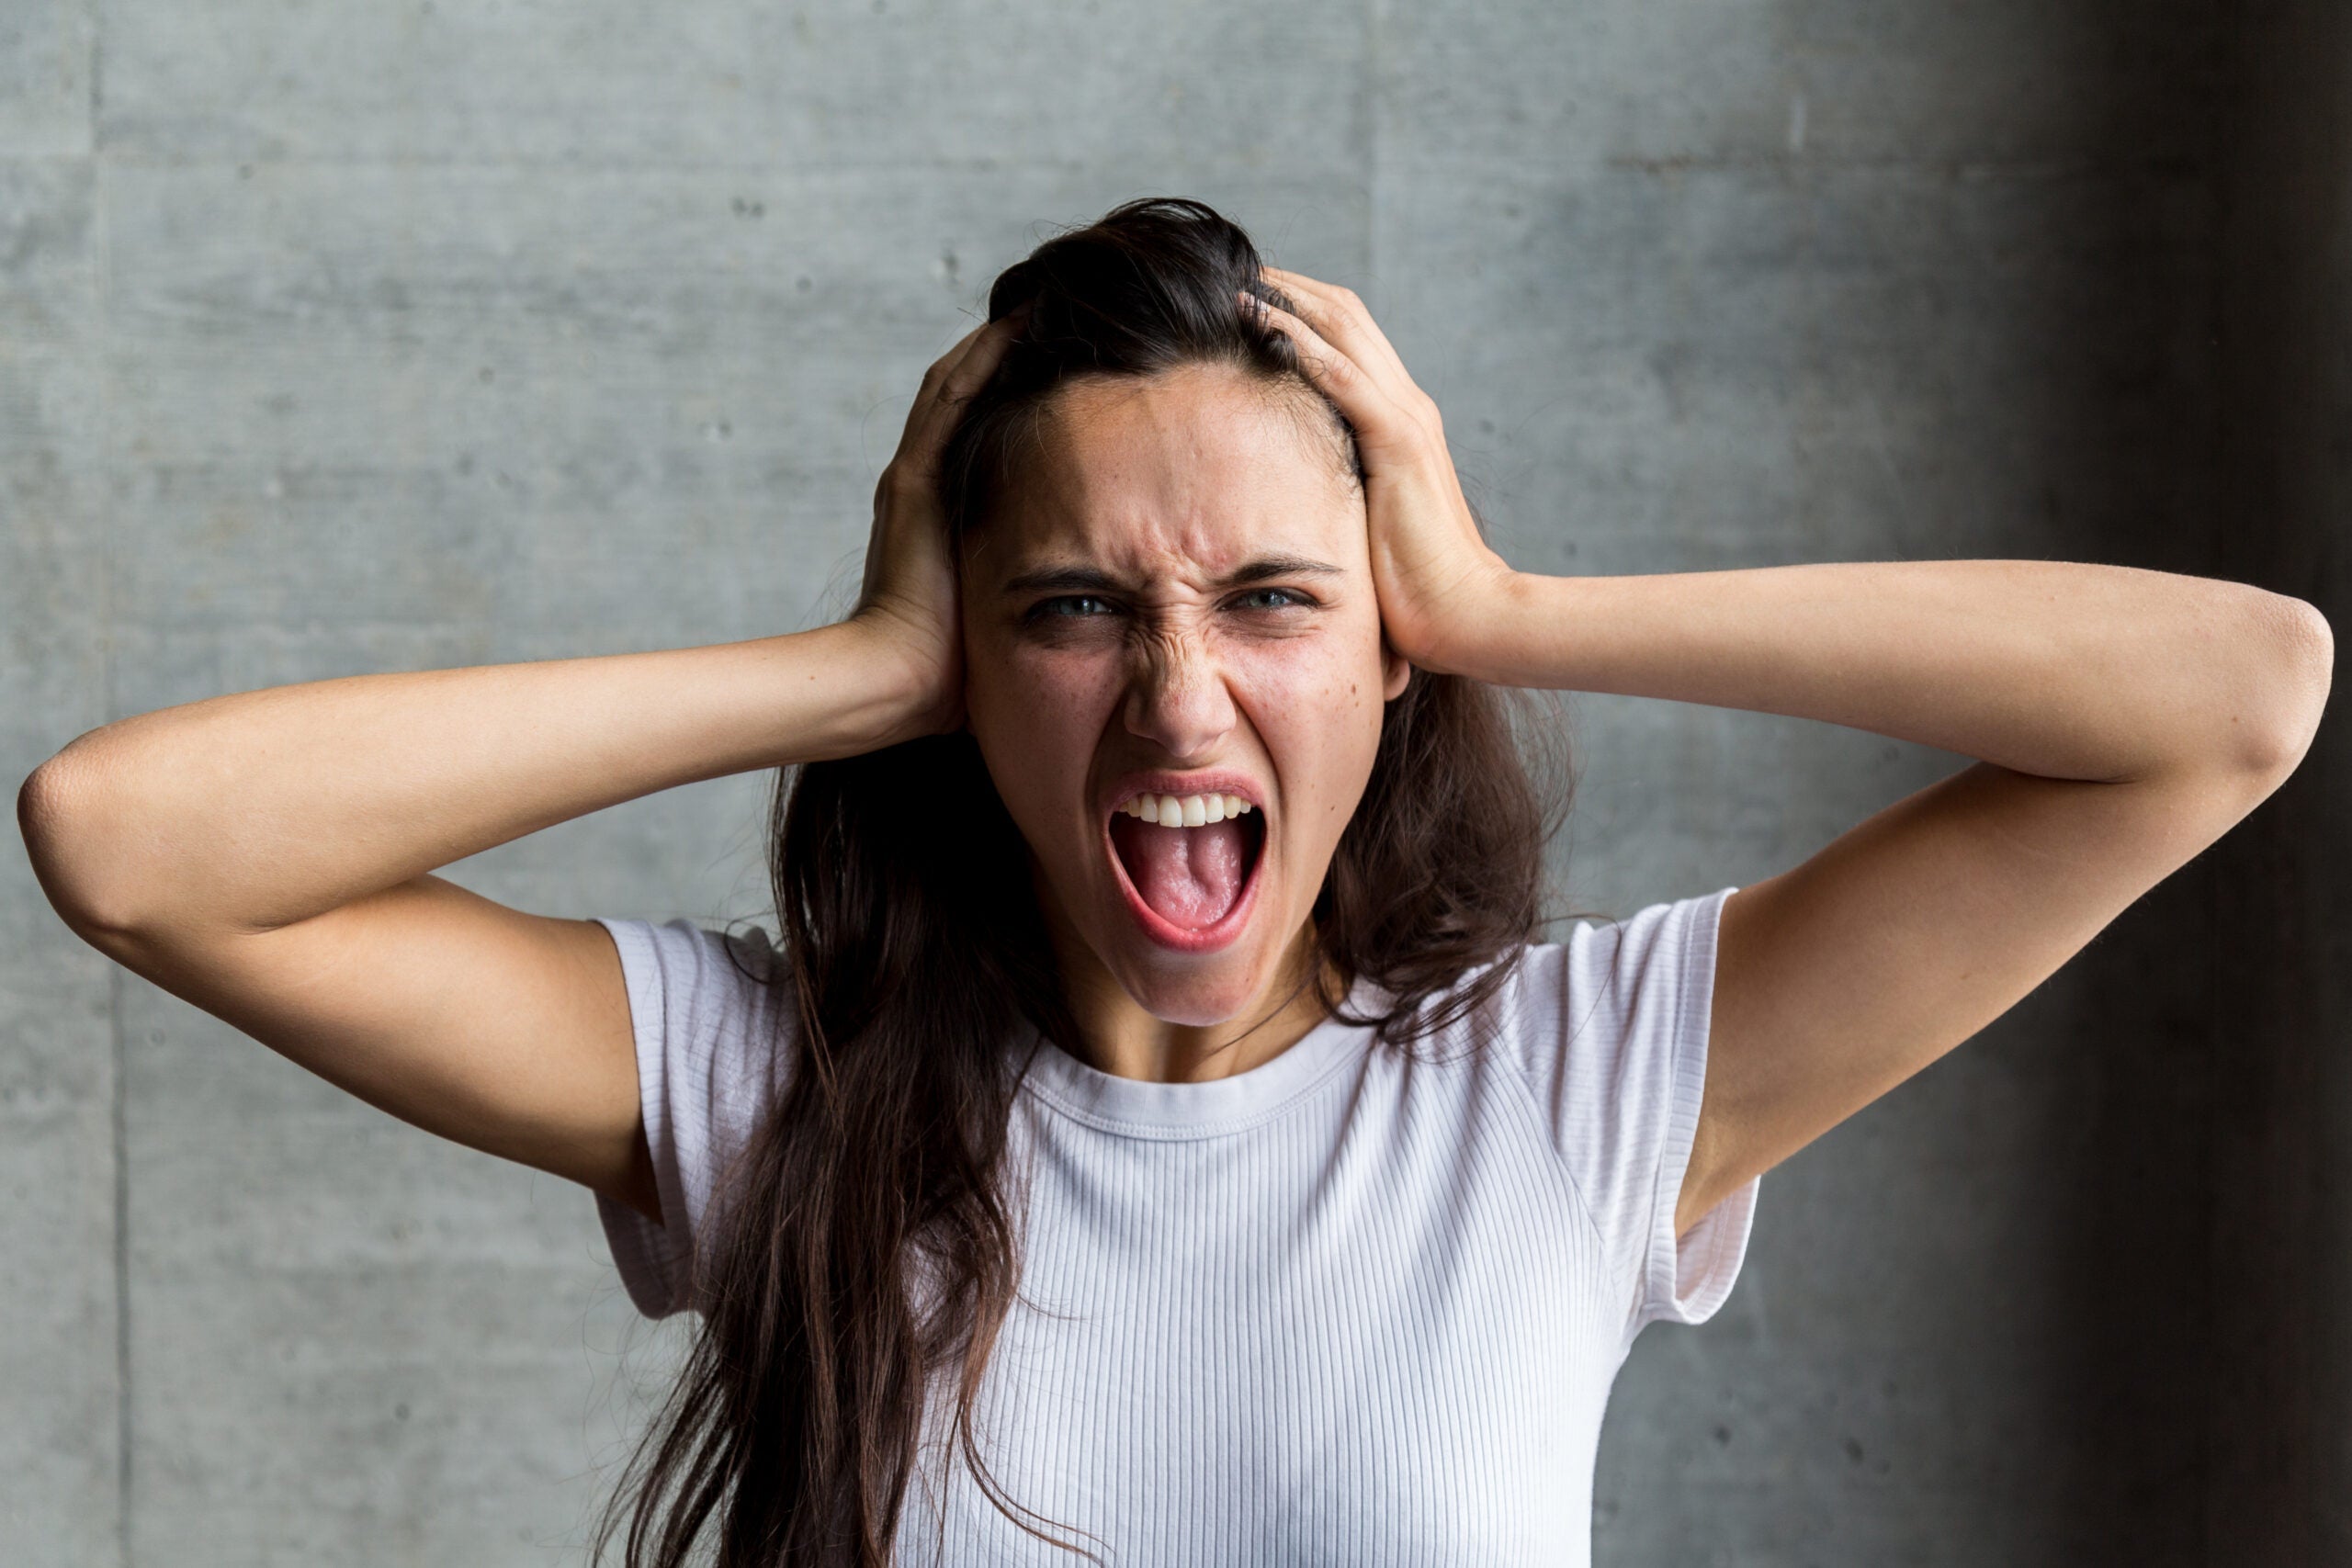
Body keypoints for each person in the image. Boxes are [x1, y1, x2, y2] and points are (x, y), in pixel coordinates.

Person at [16, 197, 2331, 1567]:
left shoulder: (1570, 1079)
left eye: (1271, 599)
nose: (1176, 697)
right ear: (970, 671)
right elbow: (131, 844)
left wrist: (1509, 607)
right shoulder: (775, 1084)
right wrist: (842, 666)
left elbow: (2229, 693)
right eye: (1072, 608)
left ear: (1387, 649)